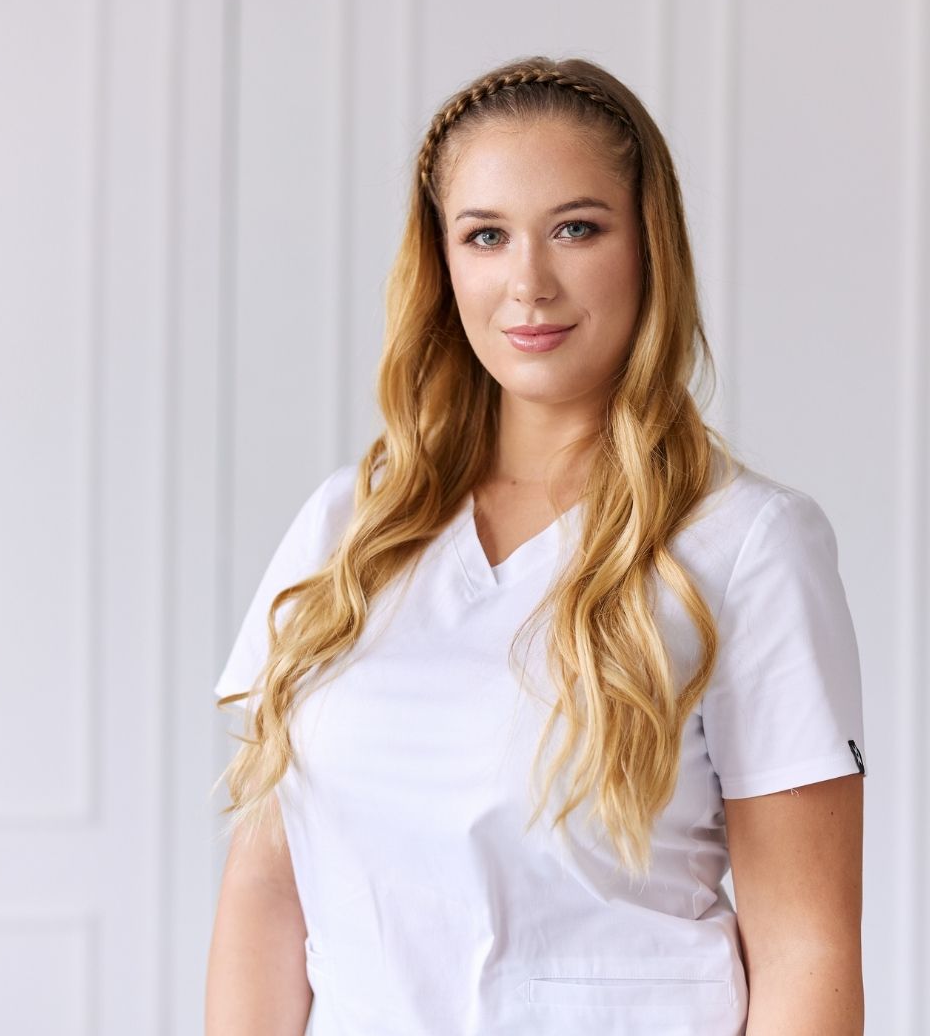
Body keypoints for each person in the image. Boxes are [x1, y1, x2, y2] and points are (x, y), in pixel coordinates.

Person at [202, 55, 868, 1036]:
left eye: (577, 229)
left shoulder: (748, 545)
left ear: (649, 247)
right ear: (442, 265)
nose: (529, 284)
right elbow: (268, 892)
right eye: (486, 235)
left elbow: (809, 947)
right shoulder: (350, 527)